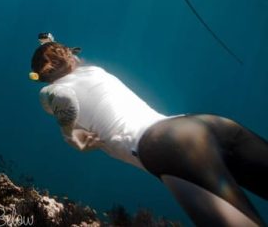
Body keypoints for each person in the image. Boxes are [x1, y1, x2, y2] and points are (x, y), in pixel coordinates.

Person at [30, 34, 268, 226]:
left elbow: (63, 96)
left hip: (166, 147)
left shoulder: (49, 92)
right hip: (200, 124)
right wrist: (50, 43)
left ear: (40, 77)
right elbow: (67, 66)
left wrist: (72, 135)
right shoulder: (93, 71)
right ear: (71, 56)